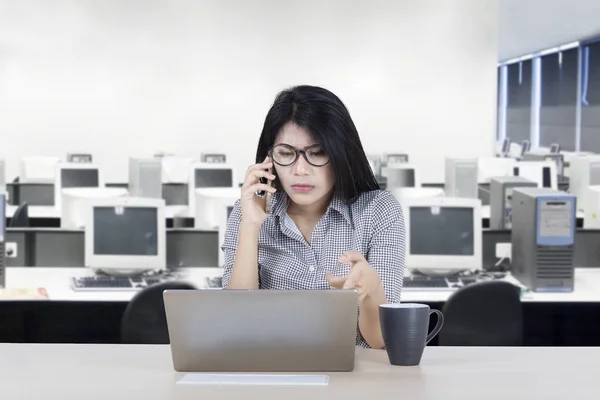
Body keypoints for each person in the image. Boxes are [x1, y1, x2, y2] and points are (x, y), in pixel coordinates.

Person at [221, 85, 406, 349]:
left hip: (353, 381)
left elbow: (379, 341)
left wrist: (371, 290)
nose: (300, 170)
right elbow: (235, 323)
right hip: (272, 375)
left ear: (340, 153)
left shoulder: (379, 211)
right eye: (285, 154)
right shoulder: (247, 211)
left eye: (317, 153)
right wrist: (250, 225)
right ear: (268, 159)